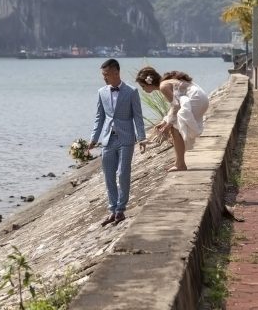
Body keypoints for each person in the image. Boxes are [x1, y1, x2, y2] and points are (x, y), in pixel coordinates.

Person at [89, 59, 147, 227]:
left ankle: (121, 209)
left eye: (106, 74)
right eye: (103, 75)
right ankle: (113, 210)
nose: (104, 78)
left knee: (122, 173)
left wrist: (142, 137)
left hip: (126, 139)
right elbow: (99, 117)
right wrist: (94, 138)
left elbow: (138, 116)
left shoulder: (132, 91)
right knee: (108, 177)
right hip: (107, 139)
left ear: (116, 72)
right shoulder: (101, 92)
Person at [135, 67, 209, 172]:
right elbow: (175, 105)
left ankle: (180, 164)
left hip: (196, 100)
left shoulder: (163, 86)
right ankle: (179, 162)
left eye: (143, 86)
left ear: (149, 83)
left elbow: (176, 106)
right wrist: (165, 121)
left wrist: (168, 125)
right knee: (174, 126)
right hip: (201, 99)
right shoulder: (165, 83)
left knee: (175, 128)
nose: (143, 89)